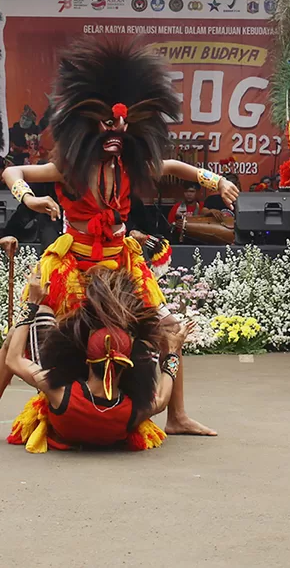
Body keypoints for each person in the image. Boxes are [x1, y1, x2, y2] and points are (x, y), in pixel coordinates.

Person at [0, 37, 238, 436]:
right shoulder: (70, 168)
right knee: (18, 339)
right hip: (72, 263)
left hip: (120, 262)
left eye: (121, 125)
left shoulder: (129, 166)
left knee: (168, 327)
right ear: (89, 126)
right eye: (108, 125)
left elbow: (173, 164)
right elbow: (13, 173)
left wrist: (214, 179)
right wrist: (30, 200)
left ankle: (176, 415)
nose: (115, 132)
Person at [6, 266, 190, 452]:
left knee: (17, 333)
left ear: (85, 358)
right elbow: (163, 397)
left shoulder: (59, 392)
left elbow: (13, 359)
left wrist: (31, 303)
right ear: (128, 364)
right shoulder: (135, 410)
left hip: (63, 407)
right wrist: (174, 351)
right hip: (117, 414)